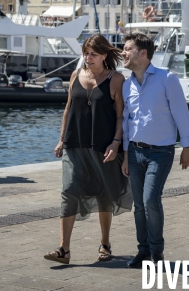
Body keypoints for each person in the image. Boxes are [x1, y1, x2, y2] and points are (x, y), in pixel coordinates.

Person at [44, 35, 132, 264]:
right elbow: (67, 110)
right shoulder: (75, 76)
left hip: (103, 148)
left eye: (93, 54)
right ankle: (64, 249)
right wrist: (61, 139)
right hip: (74, 145)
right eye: (85, 53)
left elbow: (122, 116)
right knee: (69, 190)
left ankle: (105, 244)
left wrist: (115, 142)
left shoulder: (116, 80)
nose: (88, 57)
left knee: (103, 195)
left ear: (104, 55)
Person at [121, 32, 189, 268]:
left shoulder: (167, 79)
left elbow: (180, 112)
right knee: (139, 205)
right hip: (134, 152)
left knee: (151, 199)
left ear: (142, 53)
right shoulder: (127, 84)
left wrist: (187, 146)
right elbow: (126, 120)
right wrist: (124, 154)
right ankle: (142, 252)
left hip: (160, 152)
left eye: (127, 49)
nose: (123, 52)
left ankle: (156, 252)